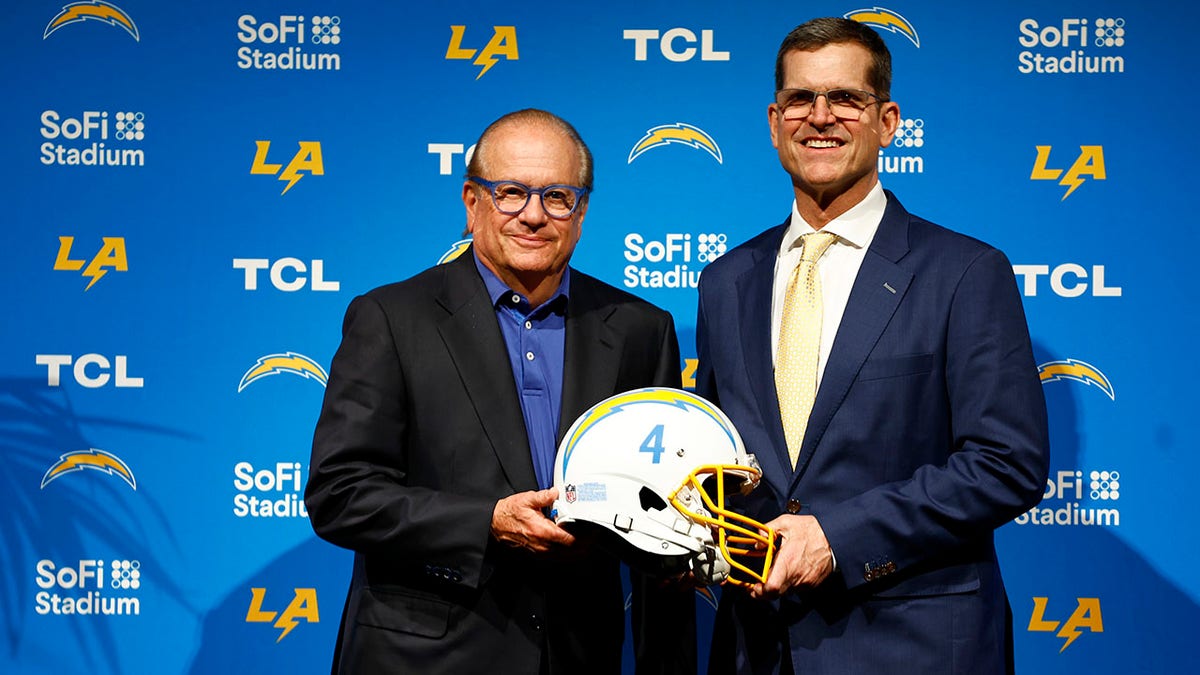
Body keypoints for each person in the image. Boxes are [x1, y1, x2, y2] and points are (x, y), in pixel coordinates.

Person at [695, 18, 1050, 674]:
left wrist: (835, 537)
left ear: (887, 121)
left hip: (910, 645)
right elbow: (718, 460)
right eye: (800, 99)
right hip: (757, 646)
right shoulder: (725, 280)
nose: (820, 117)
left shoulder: (964, 272)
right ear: (775, 122)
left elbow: (1008, 462)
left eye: (846, 99)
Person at [306, 108, 694, 674]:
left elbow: (662, 515)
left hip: (579, 654)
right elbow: (339, 495)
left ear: (581, 211)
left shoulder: (639, 328)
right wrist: (486, 521)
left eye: (558, 196)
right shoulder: (391, 318)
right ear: (472, 202)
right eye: (511, 192)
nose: (534, 216)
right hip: (424, 657)